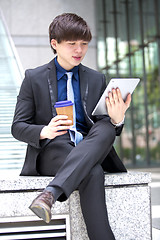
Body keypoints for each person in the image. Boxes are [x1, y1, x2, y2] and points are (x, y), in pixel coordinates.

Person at [11, 13, 131, 240]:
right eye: (72, 44)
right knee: (93, 171)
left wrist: (117, 119)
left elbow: (106, 128)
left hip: (89, 146)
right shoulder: (33, 78)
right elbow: (17, 126)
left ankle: (49, 194)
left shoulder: (96, 79)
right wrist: (44, 131)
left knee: (106, 127)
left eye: (84, 44)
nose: (79, 50)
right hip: (54, 150)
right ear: (54, 44)